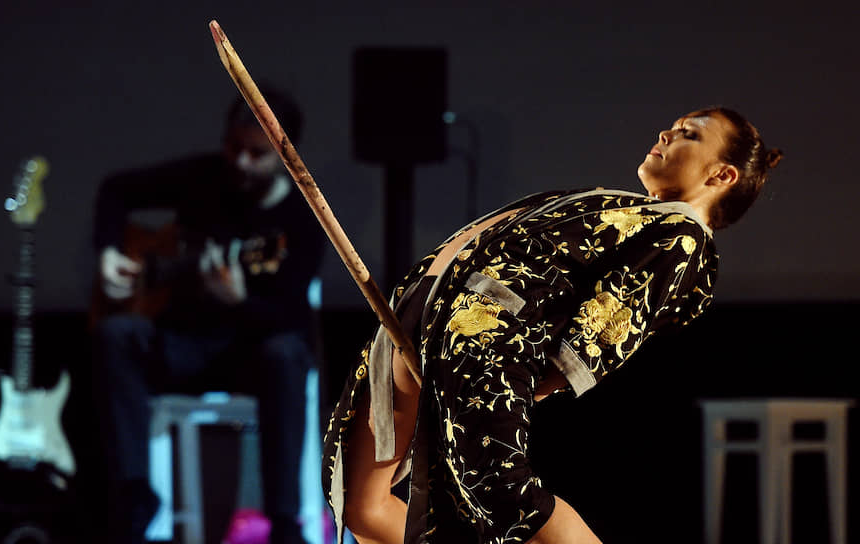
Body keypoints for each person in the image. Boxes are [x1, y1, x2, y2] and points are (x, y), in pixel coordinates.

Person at [321, 106, 783, 544]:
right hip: (423, 322)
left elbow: (610, 323)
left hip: (481, 342)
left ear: (721, 175)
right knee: (360, 504)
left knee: (505, 495)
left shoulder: (684, 236)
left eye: (689, 134)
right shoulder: (626, 209)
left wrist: (518, 386)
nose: (666, 134)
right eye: (675, 126)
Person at [91, 86, 326, 544]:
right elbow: (115, 190)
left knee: (285, 355)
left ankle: (284, 522)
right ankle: (134, 495)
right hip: (186, 344)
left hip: (251, 355)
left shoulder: (303, 216)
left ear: (286, 154)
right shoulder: (204, 177)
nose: (241, 162)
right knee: (116, 334)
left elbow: (290, 315)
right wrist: (108, 252)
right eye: (234, 147)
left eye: (257, 154)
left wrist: (239, 302)